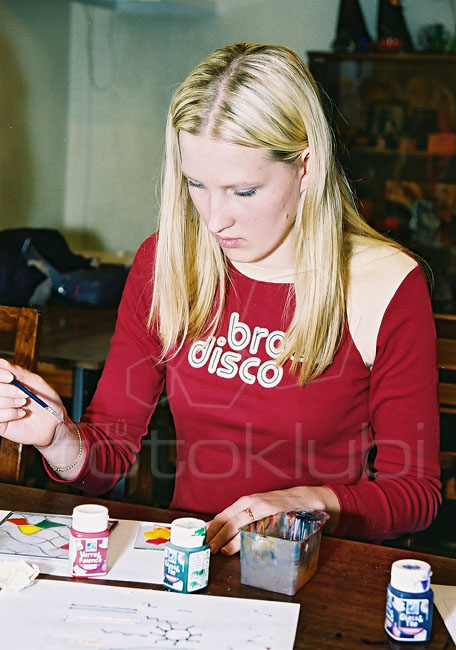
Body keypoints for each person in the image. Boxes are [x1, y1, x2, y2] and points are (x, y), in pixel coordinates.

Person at [0, 43, 440, 555]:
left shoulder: (383, 282)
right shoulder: (167, 260)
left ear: (306, 167)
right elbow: (109, 454)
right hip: (192, 559)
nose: (214, 218)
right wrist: (58, 439)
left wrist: (309, 502)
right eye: (196, 184)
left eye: (243, 191)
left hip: (313, 567)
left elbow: (416, 494)